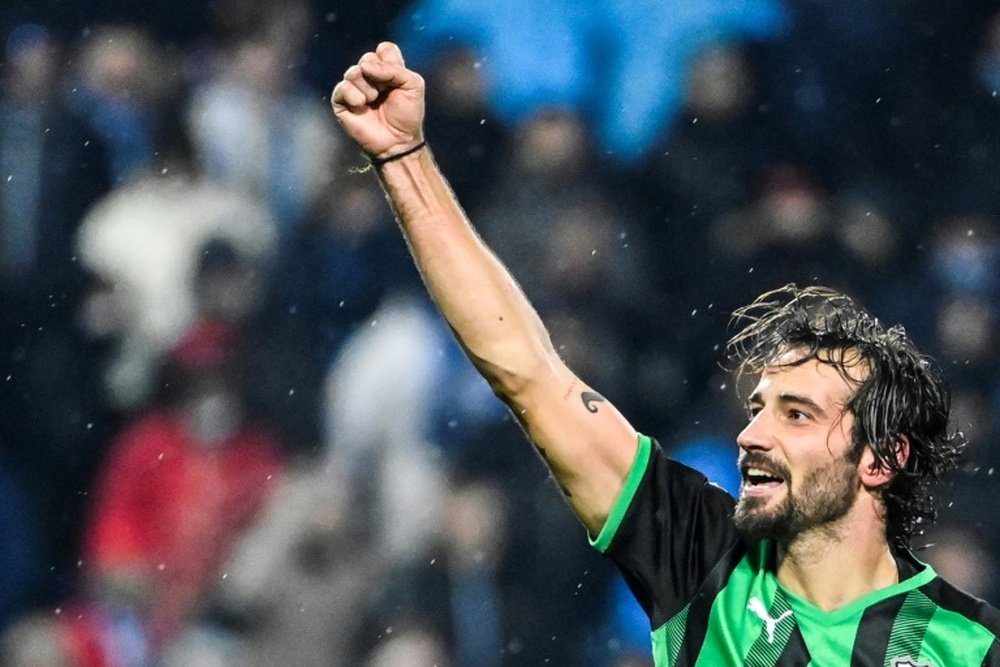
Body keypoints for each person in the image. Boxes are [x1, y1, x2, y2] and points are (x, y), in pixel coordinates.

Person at [331, 42, 1000, 665]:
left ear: (880, 458)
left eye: (797, 415)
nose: (755, 436)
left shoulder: (965, 644)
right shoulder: (702, 560)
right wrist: (406, 162)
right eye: (760, 409)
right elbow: (526, 368)